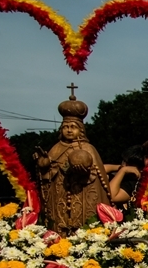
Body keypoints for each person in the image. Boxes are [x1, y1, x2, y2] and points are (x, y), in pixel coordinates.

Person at [33, 89, 111, 234]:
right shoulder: (56, 148)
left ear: (80, 129)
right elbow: (47, 176)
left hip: (83, 194)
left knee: (84, 226)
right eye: (66, 127)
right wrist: (43, 166)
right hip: (60, 196)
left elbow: (98, 177)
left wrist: (85, 172)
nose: (69, 130)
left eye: (73, 127)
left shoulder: (88, 148)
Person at [106, 145, 147, 209]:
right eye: (123, 161)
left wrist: (123, 170)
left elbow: (111, 196)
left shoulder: (134, 184)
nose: (123, 164)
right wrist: (118, 168)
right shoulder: (123, 172)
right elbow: (98, 169)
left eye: (128, 163)